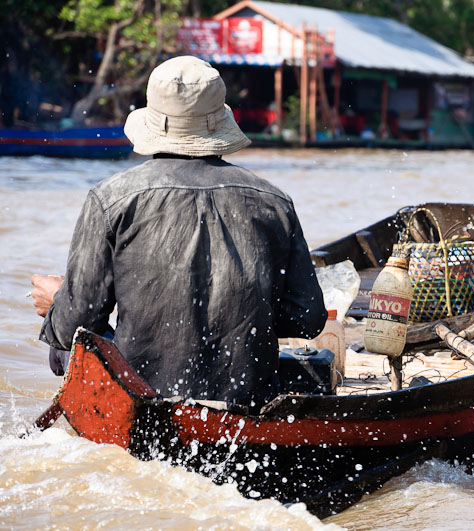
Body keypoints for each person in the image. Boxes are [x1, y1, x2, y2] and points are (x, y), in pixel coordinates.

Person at [30, 56, 328, 409]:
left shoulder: (110, 199)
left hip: (142, 399)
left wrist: (56, 303)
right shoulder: (274, 202)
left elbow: (75, 325)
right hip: (245, 403)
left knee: (66, 340)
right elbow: (308, 318)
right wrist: (242, 313)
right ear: (219, 123)